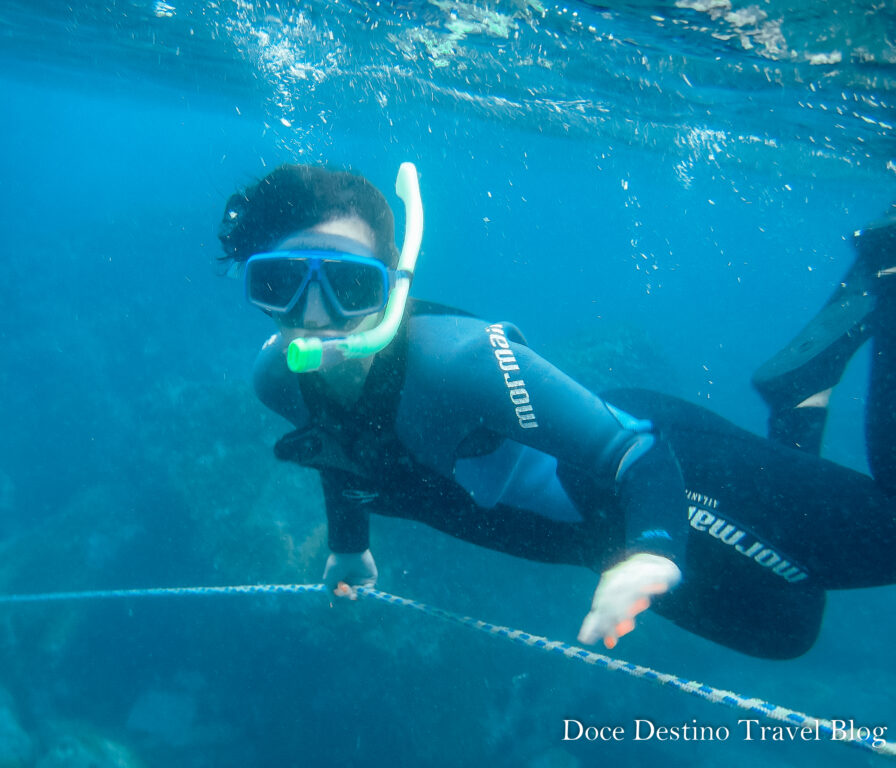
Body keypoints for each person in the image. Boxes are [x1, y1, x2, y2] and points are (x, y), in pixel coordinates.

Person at [216, 162, 896, 659]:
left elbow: (638, 454)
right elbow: (339, 445)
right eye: (279, 283)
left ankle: (890, 278)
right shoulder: (276, 379)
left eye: (348, 284)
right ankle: (803, 387)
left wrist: (650, 549)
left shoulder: (460, 360)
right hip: (593, 541)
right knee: (785, 628)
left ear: (394, 280)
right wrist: (349, 544)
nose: (317, 319)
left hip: (661, 475)